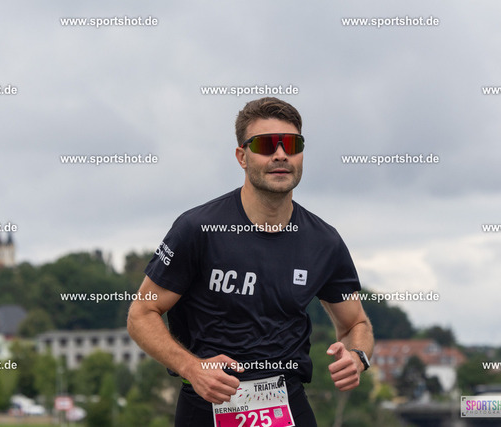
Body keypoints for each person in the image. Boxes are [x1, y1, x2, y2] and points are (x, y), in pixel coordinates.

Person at [128, 97, 374, 426]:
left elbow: (356, 324)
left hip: (288, 403)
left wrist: (357, 356)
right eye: (266, 145)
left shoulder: (324, 241)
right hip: (208, 404)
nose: (281, 155)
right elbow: (141, 313)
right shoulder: (197, 229)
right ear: (242, 157)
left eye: (292, 145)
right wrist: (192, 368)